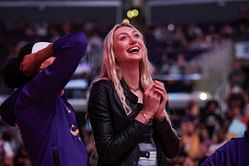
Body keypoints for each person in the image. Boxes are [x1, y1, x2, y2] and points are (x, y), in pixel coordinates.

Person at [87, 23, 180, 166]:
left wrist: (161, 117)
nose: (133, 40)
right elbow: (107, 153)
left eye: (137, 36)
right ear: (113, 52)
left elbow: (172, 151)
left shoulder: (154, 90)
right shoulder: (103, 89)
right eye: (123, 38)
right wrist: (146, 113)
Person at [0, 32, 88, 166]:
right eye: (52, 55)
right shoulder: (34, 96)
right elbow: (78, 42)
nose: (60, 57)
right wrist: (37, 57)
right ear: (39, 67)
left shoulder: (59, 100)